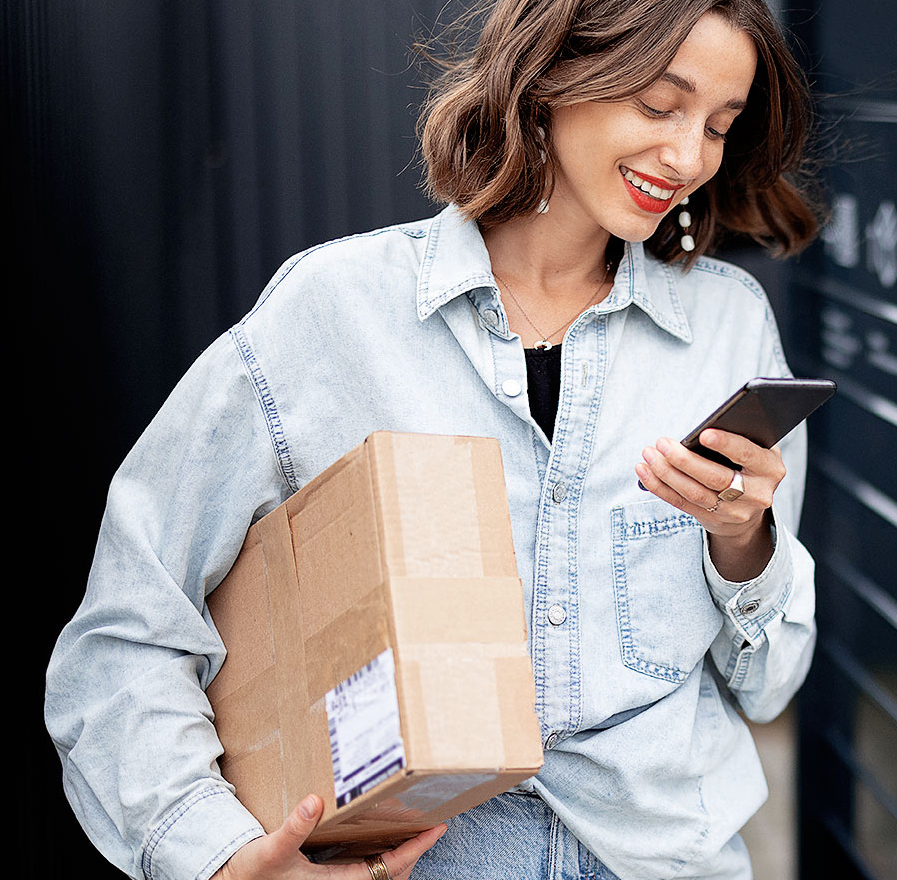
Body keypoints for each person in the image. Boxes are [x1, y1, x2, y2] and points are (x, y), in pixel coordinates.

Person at [43, 1, 820, 878]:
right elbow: (125, 639)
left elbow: (771, 685)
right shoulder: (335, 314)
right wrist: (217, 857)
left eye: (719, 126)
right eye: (658, 106)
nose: (688, 158)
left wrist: (743, 541)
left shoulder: (729, 329)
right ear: (553, 73)